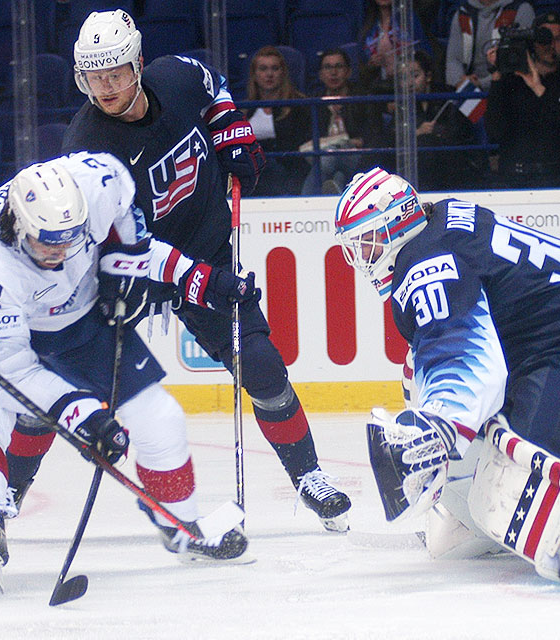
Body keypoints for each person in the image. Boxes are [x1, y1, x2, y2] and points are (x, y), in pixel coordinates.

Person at [61, 10, 351, 531]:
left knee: (260, 363)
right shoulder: (87, 148)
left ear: (138, 66)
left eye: (115, 74)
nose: (105, 88)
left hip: (207, 245)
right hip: (134, 269)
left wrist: (232, 133)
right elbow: (110, 245)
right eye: (94, 76)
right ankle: (2, 496)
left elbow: (213, 85)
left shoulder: (175, 76)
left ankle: (308, 477)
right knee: (55, 376)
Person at [332, 167, 560, 587]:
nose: (362, 257)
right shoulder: (444, 219)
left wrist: (439, 425)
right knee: (458, 529)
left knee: (508, 487)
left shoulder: (426, 260)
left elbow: (465, 354)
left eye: (366, 241)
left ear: (396, 219)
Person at [0, 152, 254, 582]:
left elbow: (132, 230)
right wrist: (88, 418)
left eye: (73, 238)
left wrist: (178, 276)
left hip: (74, 315)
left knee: (161, 417)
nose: (63, 251)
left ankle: (182, 528)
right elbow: (17, 376)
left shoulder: (98, 182)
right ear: (20, 227)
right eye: (49, 242)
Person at [485, 11, 560, 188]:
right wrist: (497, 75)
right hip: (513, 178)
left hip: (557, 178)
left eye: (558, 39)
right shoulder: (511, 80)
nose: (550, 44)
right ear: (533, 43)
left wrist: (538, 88)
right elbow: (494, 132)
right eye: (544, 39)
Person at [378, 50, 479, 191]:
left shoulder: (448, 98)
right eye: (403, 78)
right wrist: (416, 133)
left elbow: (460, 133)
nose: (409, 83)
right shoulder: (402, 106)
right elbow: (390, 138)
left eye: (415, 75)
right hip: (418, 168)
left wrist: (434, 131)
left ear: (428, 76)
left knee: (426, 143)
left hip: (451, 165)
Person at [301, 48, 381, 195]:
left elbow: (372, 136)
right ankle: (337, 191)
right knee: (336, 171)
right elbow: (306, 138)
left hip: (355, 157)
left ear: (349, 72)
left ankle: (306, 201)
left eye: (339, 66)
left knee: (328, 159)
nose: (333, 72)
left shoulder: (362, 99)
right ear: (320, 74)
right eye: (328, 67)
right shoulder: (313, 102)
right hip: (320, 156)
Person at [243, 46, 311, 196]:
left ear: (283, 73)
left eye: (275, 68)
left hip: (289, 170)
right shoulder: (245, 110)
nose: (269, 74)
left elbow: (303, 145)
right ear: (254, 75)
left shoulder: (299, 105)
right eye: (263, 69)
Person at [444, 0, 534, 92]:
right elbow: (453, 59)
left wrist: (481, 83)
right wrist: (461, 82)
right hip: (469, 89)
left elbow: (518, 62)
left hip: (509, 88)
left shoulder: (521, 10)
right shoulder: (463, 13)